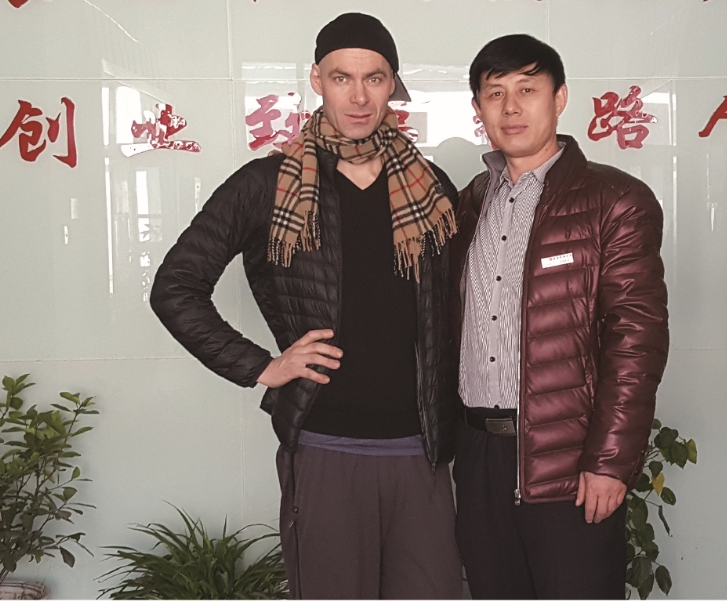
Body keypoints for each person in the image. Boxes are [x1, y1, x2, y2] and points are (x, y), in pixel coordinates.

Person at [150, 12, 462, 599]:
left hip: (419, 451)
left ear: (393, 85)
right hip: (324, 446)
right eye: (342, 77)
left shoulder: (430, 185)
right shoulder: (267, 184)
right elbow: (175, 286)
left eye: (374, 78)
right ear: (317, 80)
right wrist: (262, 366)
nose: (360, 96)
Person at [449, 34, 670, 600]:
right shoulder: (469, 203)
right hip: (478, 456)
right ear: (478, 108)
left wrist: (610, 462)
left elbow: (636, 342)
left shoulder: (613, 201)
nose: (511, 107)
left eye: (528, 89)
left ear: (560, 97)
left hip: (568, 460)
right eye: (495, 93)